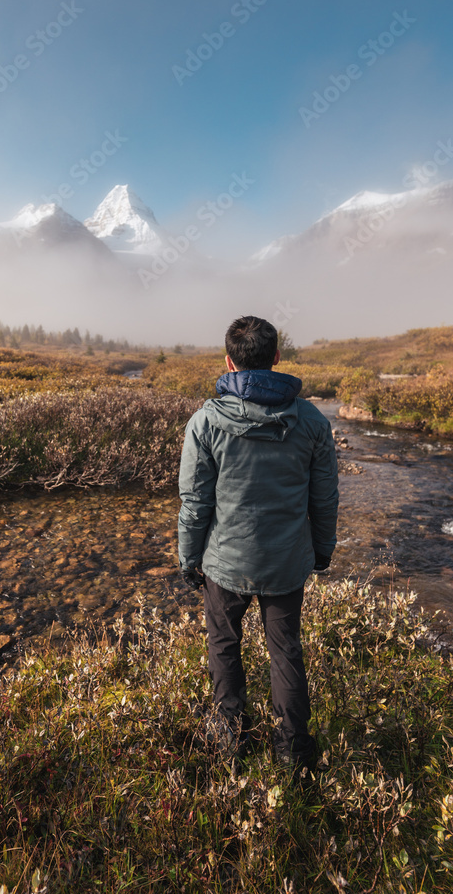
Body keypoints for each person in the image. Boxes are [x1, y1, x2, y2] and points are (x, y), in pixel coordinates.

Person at [178, 314, 339, 770]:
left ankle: (230, 734)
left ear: (229, 362)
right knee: (285, 648)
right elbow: (324, 496)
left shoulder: (205, 422)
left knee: (223, 644)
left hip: (223, 564)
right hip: (287, 562)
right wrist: (322, 550)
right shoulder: (310, 420)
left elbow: (194, 502)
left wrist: (189, 558)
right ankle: (293, 750)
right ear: (276, 358)